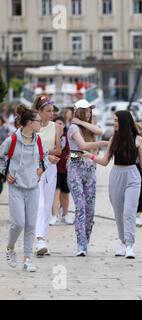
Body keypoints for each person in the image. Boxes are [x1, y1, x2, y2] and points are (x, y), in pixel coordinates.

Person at [83, 111, 142, 259]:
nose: (114, 123)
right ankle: (122, 242)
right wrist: (91, 156)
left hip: (133, 175)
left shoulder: (138, 139)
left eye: (116, 120)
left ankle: (129, 245)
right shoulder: (113, 138)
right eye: (114, 120)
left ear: (124, 121)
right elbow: (105, 161)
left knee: (129, 211)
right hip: (116, 175)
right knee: (119, 213)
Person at [1, 105, 47, 272]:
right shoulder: (11, 140)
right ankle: (10, 247)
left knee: (30, 224)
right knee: (18, 223)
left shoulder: (39, 141)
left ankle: (28, 258)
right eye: (38, 121)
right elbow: (1, 157)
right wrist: (5, 173)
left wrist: (42, 169)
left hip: (33, 187)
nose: (41, 123)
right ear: (29, 123)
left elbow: (45, 157)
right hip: (16, 188)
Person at [67, 99, 108, 256]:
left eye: (90, 111)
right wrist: (102, 144)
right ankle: (81, 244)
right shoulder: (73, 127)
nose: (89, 113)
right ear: (79, 112)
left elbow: (98, 131)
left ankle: (86, 240)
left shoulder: (88, 128)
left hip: (90, 168)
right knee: (81, 206)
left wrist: (84, 123)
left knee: (91, 210)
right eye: (86, 110)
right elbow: (83, 146)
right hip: (75, 167)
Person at [32, 96, 62, 256]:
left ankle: (41, 239)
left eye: (52, 111)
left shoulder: (56, 127)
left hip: (51, 168)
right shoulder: (33, 127)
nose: (52, 114)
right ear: (40, 111)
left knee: (48, 204)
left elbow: (58, 150)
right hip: (35, 168)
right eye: (48, 111)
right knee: (40, 204)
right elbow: (30, 148)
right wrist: (45, 154)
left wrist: (45, 153)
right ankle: (39, 238)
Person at [50, 116, 73, 226]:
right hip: (53, 168)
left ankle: (65, 214)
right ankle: (54, 215)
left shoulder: (68, 137)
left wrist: (71, 157)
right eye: (56, 123)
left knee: (65, 193)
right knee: (56, 191)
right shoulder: (51, 138)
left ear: (64, 125)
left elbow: (73, 152)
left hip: (66, 168)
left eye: (61, 123)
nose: (59, 126)